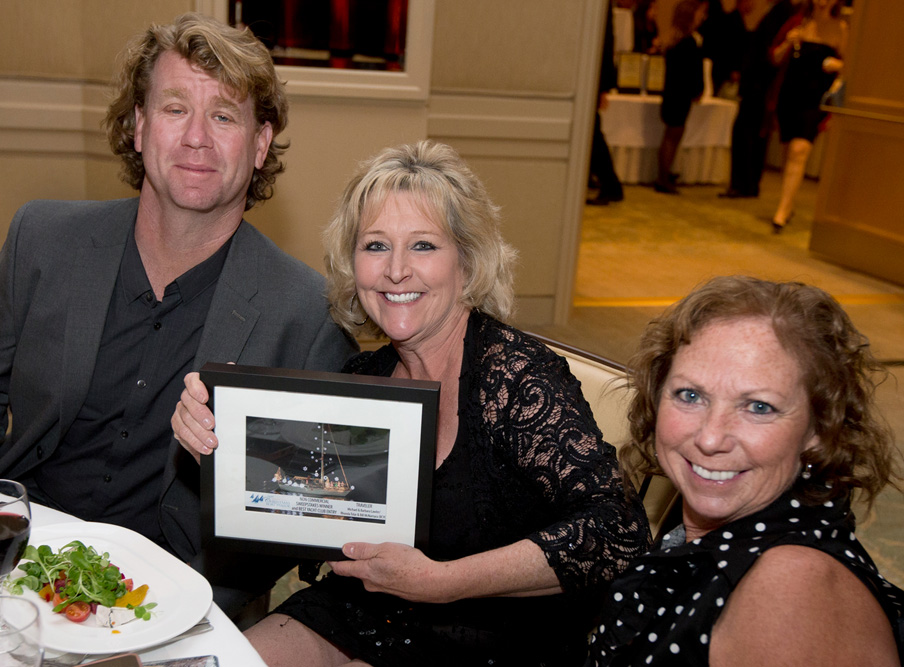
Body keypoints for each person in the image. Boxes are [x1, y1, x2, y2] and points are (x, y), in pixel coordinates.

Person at [0, 12, 356, 609]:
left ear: (260, 145)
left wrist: (198, 597)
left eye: (224, 116)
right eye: (175, 108)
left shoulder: (307, 314)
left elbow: (301, 509)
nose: (197, 137)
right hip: (18, 559)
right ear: (138, 125)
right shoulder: (42, 241)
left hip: (178, 594)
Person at [173, 140, 652, 666]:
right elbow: (313, 507)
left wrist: (443, 581)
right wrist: (226, 448)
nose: (396, 270)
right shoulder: (364, 380)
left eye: (423, 245)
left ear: (467, 262)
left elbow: (619, 531)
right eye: (375, 246)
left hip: (500, 634)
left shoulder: (515, 378)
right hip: (368, 609)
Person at [587, 275, 904, 666]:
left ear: (820, 429)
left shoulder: (790, 592)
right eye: (690, 395)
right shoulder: (726, 537)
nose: (710, 438)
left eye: (759, 407)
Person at [769, 0, 846, 231]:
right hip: (790, 94)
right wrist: (787, 42)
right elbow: (775, 58)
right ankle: (788, 203)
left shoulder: (841, 28)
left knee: (799, 150)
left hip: (815, 99)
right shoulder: (798, 22)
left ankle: (782, 211)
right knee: (788, 153)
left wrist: (837, 65)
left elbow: (850, 66)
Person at [719, 0, 796, 199]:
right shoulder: (777, 11)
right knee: (750, 134)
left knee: (748, 134)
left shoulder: (782, 11)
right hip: (758, 86)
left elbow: (767, 52)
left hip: (759, 87)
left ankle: (745, 184)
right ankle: (747, 184)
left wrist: (753, 82)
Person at [653, 0, 708, 194]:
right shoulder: (689, 42)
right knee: (673, 136)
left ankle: (664, 174)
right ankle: (663, 177)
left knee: (671, 135)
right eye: (700, 13)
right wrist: (697, 90)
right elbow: (693, 72)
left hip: (672, 94)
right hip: (680, 96)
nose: (703, 16)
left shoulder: (675, 40)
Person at [588, 4, 625, 206]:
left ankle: (611, 185)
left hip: (593, 79)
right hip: (592, 78)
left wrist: (603, 86)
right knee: (592, 134)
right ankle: (610, 184)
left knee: (592, 134)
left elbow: (605, 43)